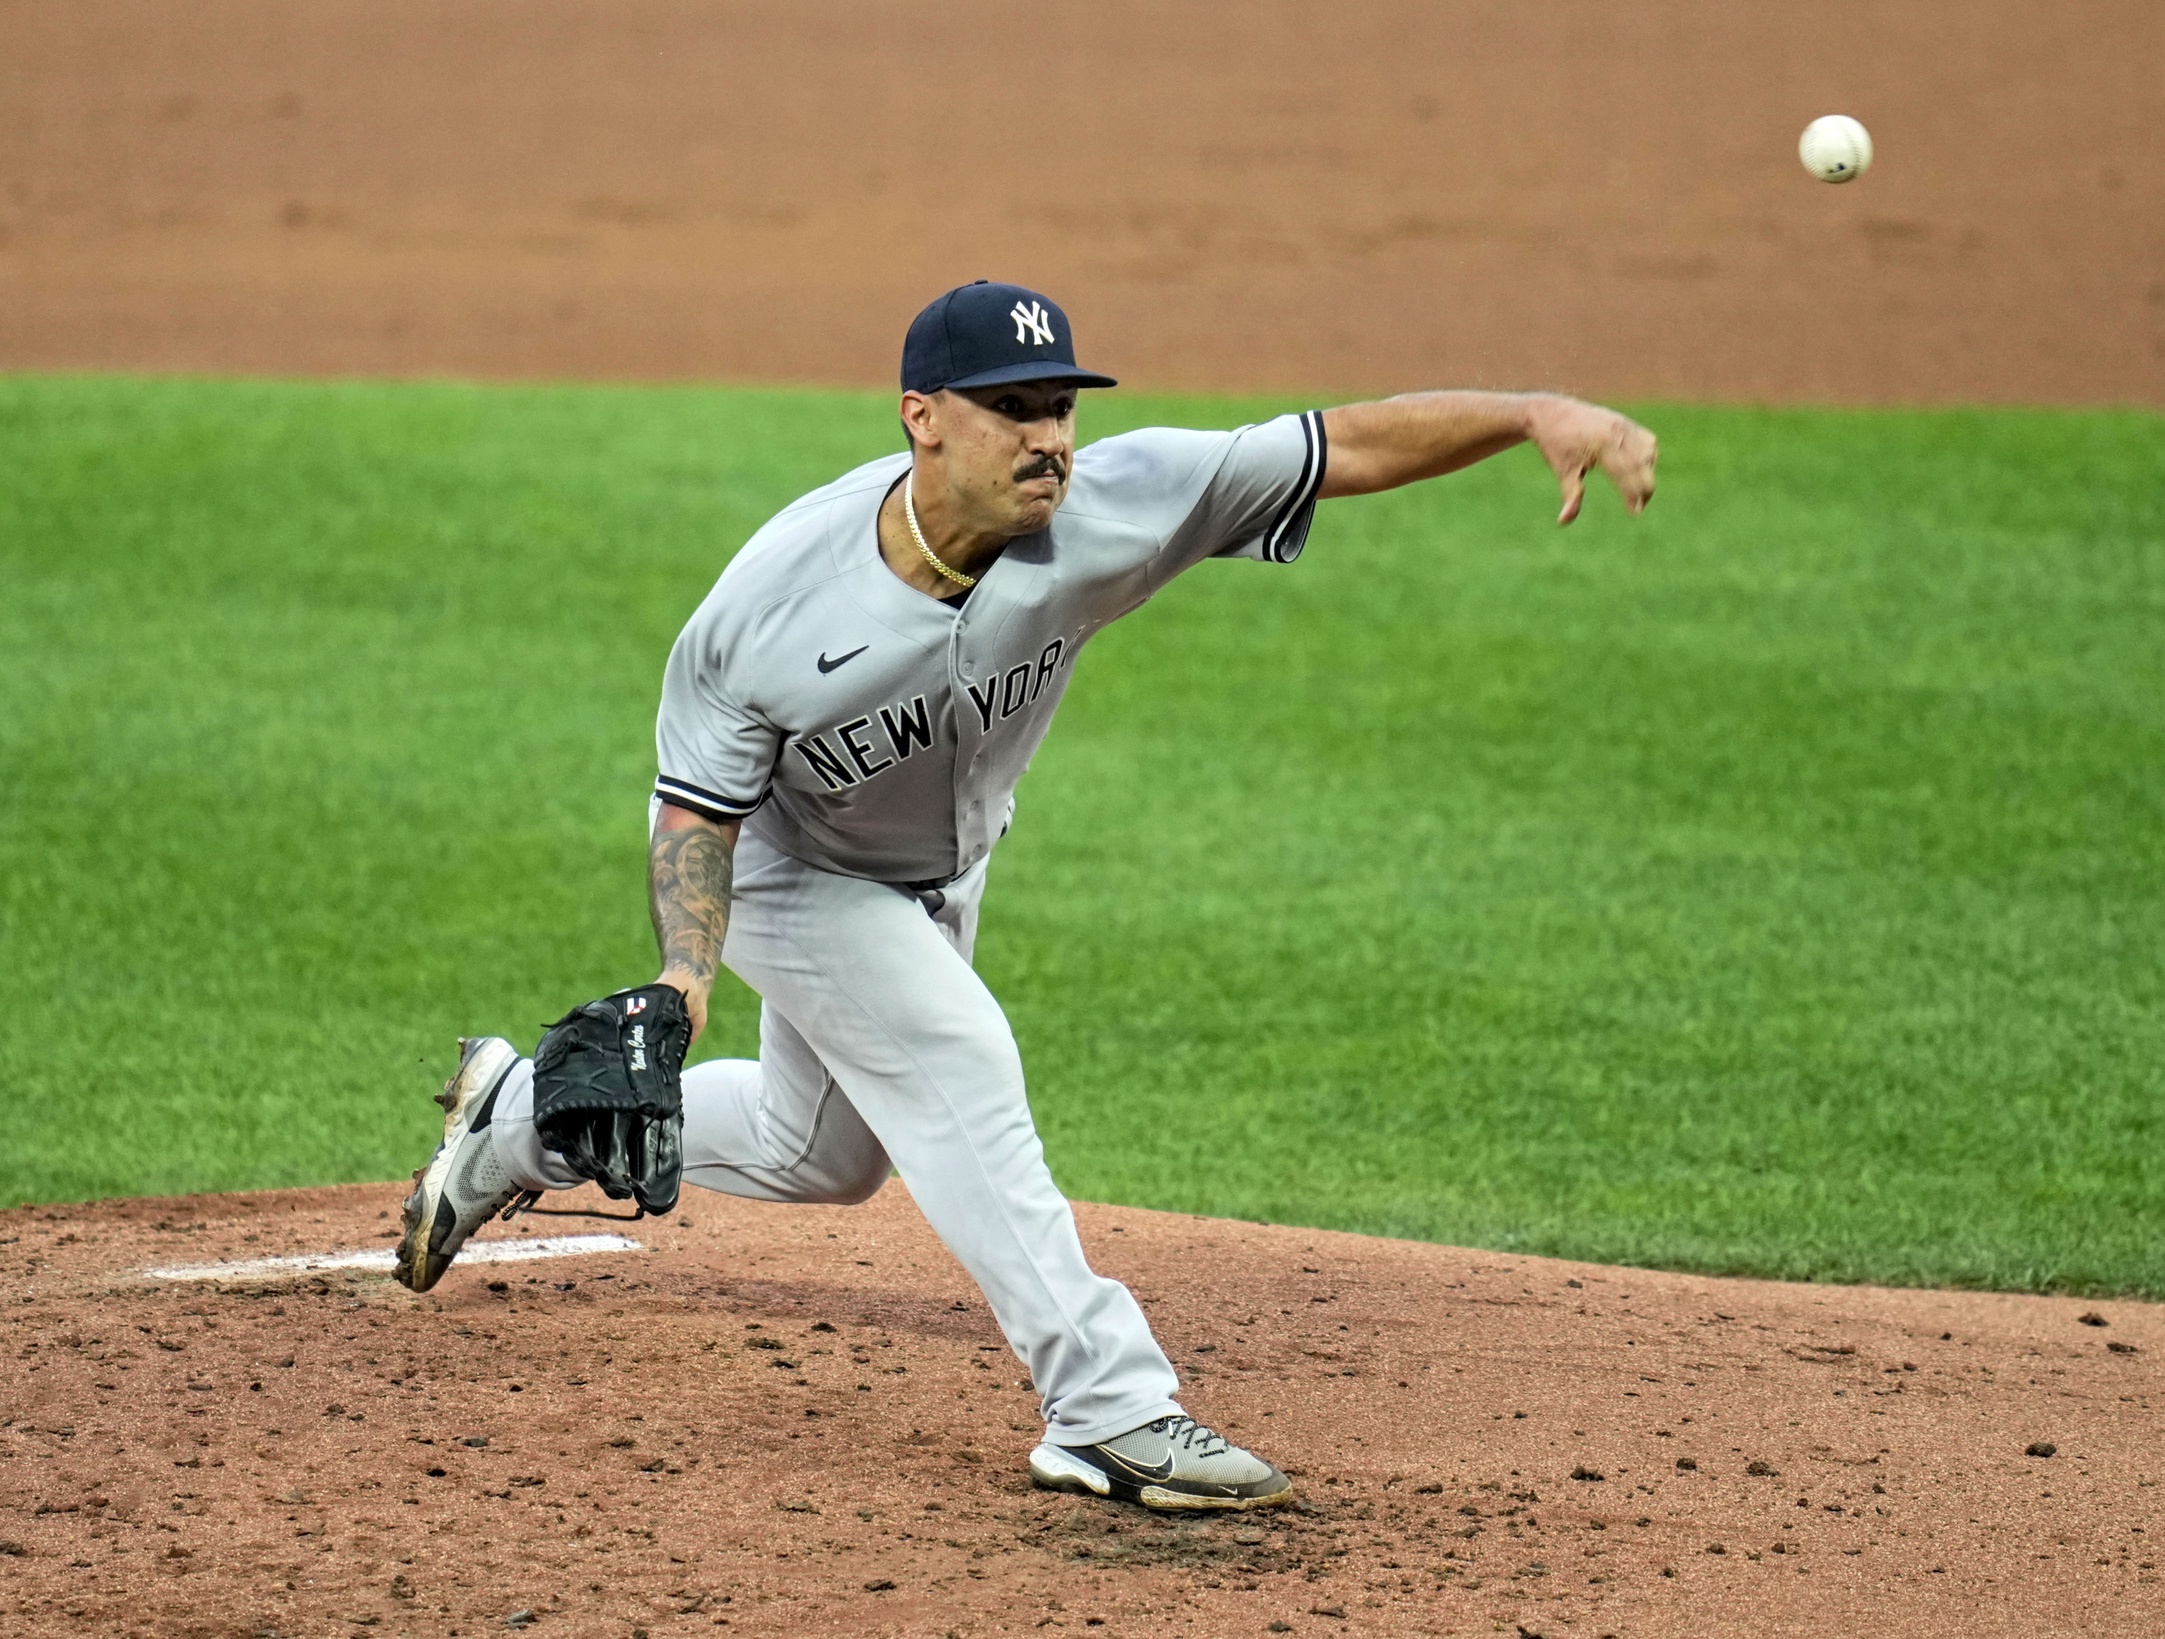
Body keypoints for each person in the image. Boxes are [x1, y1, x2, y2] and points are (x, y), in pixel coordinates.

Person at [392, 280, 1657, 1511]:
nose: (1047, 436)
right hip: (788, 867)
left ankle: (517, 1116)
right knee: (959, 1054)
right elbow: (695, 812)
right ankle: (1106, 1407)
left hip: (942, 868)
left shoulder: (1116, 503)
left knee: (813, 1153)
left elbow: (1336, 446)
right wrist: (684, 974)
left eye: (1058, 404)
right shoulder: (771, 604)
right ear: (922, 417)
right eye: (1010, 408)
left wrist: (1527, 413)